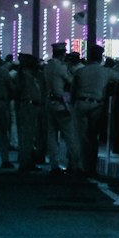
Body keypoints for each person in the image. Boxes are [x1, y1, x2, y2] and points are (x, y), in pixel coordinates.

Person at [71, 44, 119, 176]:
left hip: (81, 103)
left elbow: (73, 90)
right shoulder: (105, 72)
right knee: (93, 137)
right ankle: (91, 167)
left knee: (81, 137)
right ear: (100, 57)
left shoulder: (80, 72)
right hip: (97, 105)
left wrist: (74, 104)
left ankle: (80, 165)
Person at [42, 42, 78, 176]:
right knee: (70, 135)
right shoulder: (61, 67)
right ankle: (73, 164)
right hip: (62, 103)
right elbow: (71, 81)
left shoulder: (48, 66)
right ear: (62, 53)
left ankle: (54, 165)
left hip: (49, 103)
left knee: (51, 136)